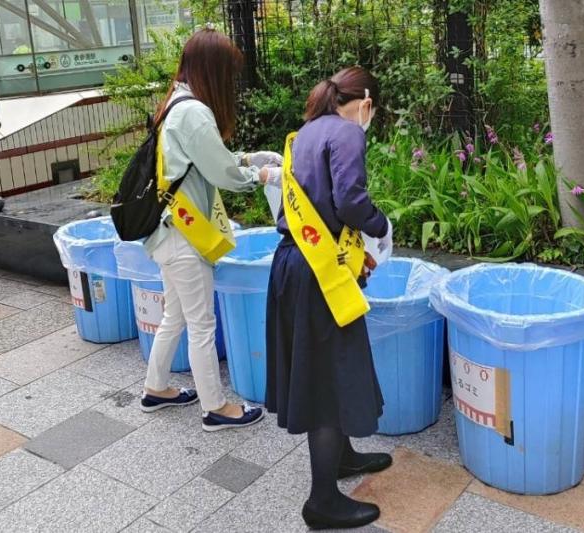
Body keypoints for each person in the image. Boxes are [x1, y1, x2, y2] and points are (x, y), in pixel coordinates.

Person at [266, 66, 394, 529]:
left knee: (330, 368)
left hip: (297, 264)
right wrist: (382, 226)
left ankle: (342, 457)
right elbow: (351, 203)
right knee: (327, 377)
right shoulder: (346, 133)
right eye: (373, 110)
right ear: (364, 103)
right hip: (318, 275)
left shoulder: (304, 134)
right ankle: (322, 500)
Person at [140, 28, 282, 432]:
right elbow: (222, 173)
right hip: (186, 239)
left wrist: (249, 158)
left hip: (167, 232)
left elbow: (203, 160)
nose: (230, 82)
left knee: (176, 316)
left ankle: (156, 388)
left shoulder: (175, 103)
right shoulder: (194, 112)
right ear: (212, 70)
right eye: (228, 73)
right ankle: (216, 407)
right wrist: (264, 175)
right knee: (202, 324)